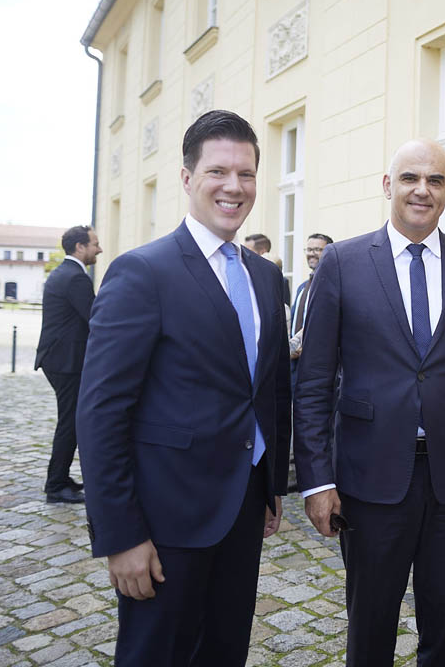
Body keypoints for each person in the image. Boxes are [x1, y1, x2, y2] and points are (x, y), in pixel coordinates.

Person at [77, 110, 292, 666]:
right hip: (165, 521)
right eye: (218, 171)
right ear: (186, 177)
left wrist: (270, 487)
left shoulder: (265, 276)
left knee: (224, 651)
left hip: (242, 509)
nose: (233, 187)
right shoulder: (142, 273)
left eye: (246, 174)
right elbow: (101, 413)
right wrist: (121, 535)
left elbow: (267, 389)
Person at [293, 138, 445, 667]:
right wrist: (318, 480)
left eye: (436, 181)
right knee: (370, 622)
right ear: (388, 185)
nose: (423, 190)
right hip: (368, 481)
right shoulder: (343, 263)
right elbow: (314, 381)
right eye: (411, 178)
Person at [34, 224, 101, 504]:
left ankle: (61, 478)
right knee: (70, 423)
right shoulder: (76, 277)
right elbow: (95, 317)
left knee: (71, 421)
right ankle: (56, 485)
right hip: (66, 361)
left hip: (59, 359)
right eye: (95, 243)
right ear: (80, 247)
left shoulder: (65, 273)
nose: (99, 248)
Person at [288, 233, 333, 358]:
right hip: (293, 362)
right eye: (309, 249)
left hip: (316, 359)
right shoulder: (302, 288)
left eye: (318, 249)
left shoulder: (333, 285)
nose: (312, 253)